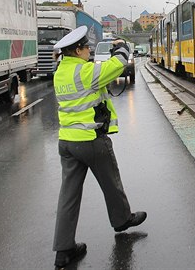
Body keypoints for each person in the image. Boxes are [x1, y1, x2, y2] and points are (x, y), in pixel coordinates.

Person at [51, 26, 146, 268]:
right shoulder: (84, 72)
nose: (89, 52)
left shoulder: (60, 72)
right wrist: (122, 48)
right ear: (77, 50)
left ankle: (63, 250)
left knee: (68, 196)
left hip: (67, 141)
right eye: (86, 48)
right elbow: (116, 66)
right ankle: (122, 220)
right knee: (111, 182)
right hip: (91, 140)